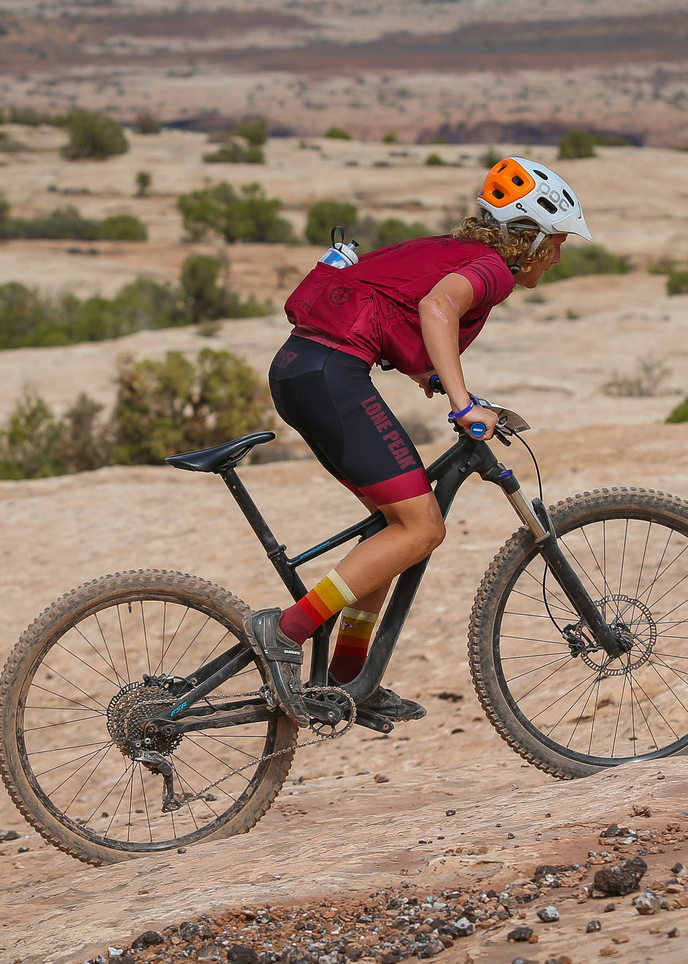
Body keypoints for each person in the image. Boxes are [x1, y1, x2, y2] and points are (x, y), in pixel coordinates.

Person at [246, 156, 592, 731]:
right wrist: (461, 404)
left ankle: (348, 681)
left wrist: (438, 380)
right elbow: (436, 309)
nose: (557, 258)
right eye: (555, 244)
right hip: (331, 375)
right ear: (530, 239)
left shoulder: (450, 250)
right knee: (423, 528)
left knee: (395, 531)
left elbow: (394, 312)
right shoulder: (493, 270)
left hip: (301, 368)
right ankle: (285, 630)